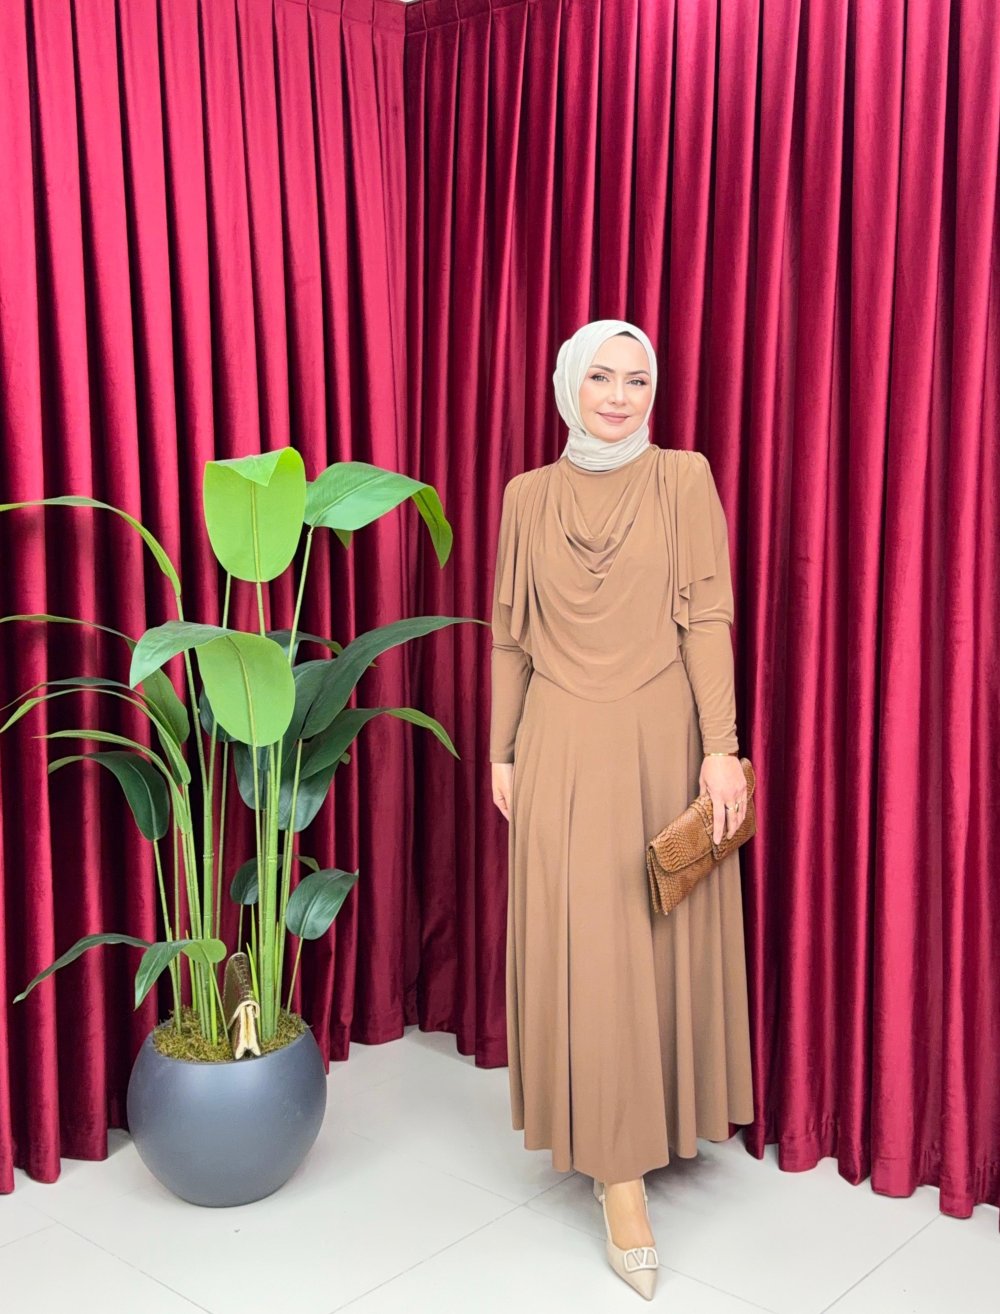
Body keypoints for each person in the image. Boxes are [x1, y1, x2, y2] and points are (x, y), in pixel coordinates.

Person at [489, 318, 754, 1300]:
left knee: (654, 936)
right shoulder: (526, 497)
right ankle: (617, 1173)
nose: (616, 395)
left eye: (635, 379)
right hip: (558, 742)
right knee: (589, 950)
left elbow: (708, 617)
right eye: (599, 376)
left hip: (658, 735)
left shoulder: (683, 478)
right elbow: (508, 637)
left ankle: (654, 1122)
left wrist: (720, 749)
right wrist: (500, 750)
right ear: (568, 385)